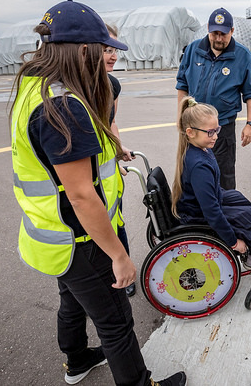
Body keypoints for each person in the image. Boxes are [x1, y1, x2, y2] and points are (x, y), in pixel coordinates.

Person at [9, 0, 185, 386]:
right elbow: (82, 196)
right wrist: (119, 256)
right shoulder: (63, 107)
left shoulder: (34, 88)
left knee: (71, 302)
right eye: (103, 50)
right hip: (85, 239)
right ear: (84, 49)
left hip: (58, 239)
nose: (109, 58)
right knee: (116, 323)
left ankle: (76, 361)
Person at [171, 97, 251, 268]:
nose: (216, 136)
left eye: (216, 130)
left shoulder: (201, 148)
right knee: (243, 219)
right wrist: (233, 242)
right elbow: (211, 213)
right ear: (190, 132)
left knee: (240, 201)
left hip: (199, 203)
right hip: (197, 214)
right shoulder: (199, 166)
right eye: (210, 132)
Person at [176, 7, 251, 190]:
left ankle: (225, 210)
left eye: (223, 34)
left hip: (222, 127)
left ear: (232, 31)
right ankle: (194, 211)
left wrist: (250, 124)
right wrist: (181, 117)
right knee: (191, 170)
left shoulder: (243, 56)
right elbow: (182, 84)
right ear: (208, 28)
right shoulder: (193, 50)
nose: (219, 39)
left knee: (224, 174)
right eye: (215, 33)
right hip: (193, 127)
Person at [104, 23, 136, 297]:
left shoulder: (112, 85)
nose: (113, 55)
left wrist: (117, 148)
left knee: (117, 220)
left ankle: (123, 271)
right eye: (106, 49)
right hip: (88, 174)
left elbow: (111, 122)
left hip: (107, 173)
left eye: (115, 49)